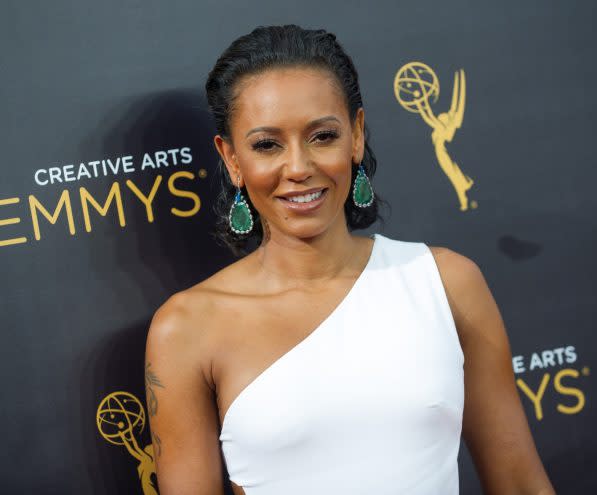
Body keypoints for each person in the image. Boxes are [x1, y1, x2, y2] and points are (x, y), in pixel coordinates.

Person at [144, 24, 555, 495]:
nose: (298, 167)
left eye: (322, 136)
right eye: (267, 145)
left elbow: (521, 483)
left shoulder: (445, 283)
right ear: (232, 159)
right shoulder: (186, 327)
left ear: (356, 136)